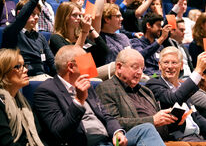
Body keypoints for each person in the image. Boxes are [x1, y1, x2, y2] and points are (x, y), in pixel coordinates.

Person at [33, 45, 165, 146]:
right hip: (85, 143)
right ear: (71, 67)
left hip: (109, 141)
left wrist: (117, 132)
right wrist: (79, 101)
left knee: (146, 129)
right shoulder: (46, 91)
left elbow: (107, 116)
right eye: (85, 62)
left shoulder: (88, 86)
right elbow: (59, 133)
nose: (91, 67)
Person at [95, 48, 206, 146]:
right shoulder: (107, 87)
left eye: (142, 68)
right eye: (135, 67)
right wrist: (152, 120)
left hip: (162, 138)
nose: (139, 72)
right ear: (119, 67)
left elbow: (162, 125)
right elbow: (114, 122)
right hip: (135, 138)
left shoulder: (145, 90)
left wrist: (175, 121)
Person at [2, 0, 56, 80]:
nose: (36, 17)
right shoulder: (12, 31)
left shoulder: (40, 37)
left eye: (38, 14)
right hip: (24, 77)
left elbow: (51, 62)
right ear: (20, 13)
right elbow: (22, 18)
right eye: (32, 13)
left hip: (44, 77)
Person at [0, 48, 44, 146]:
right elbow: (6, 142)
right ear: (3, 72)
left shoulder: (23, 101)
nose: (26, 70)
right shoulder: (1, 103)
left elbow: (40, 134)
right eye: (18, 66)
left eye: (24, 65)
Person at [49, 2, 109, 67]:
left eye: (80, 15)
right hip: (74, 74)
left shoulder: (79, 37)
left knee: (113, 66)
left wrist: (90, 28)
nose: (79, 18)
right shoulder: (56, 38)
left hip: (91, 70)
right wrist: (84, 32)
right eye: (74, 15)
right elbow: (72, 58)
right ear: (64, 17)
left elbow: (104, 51)